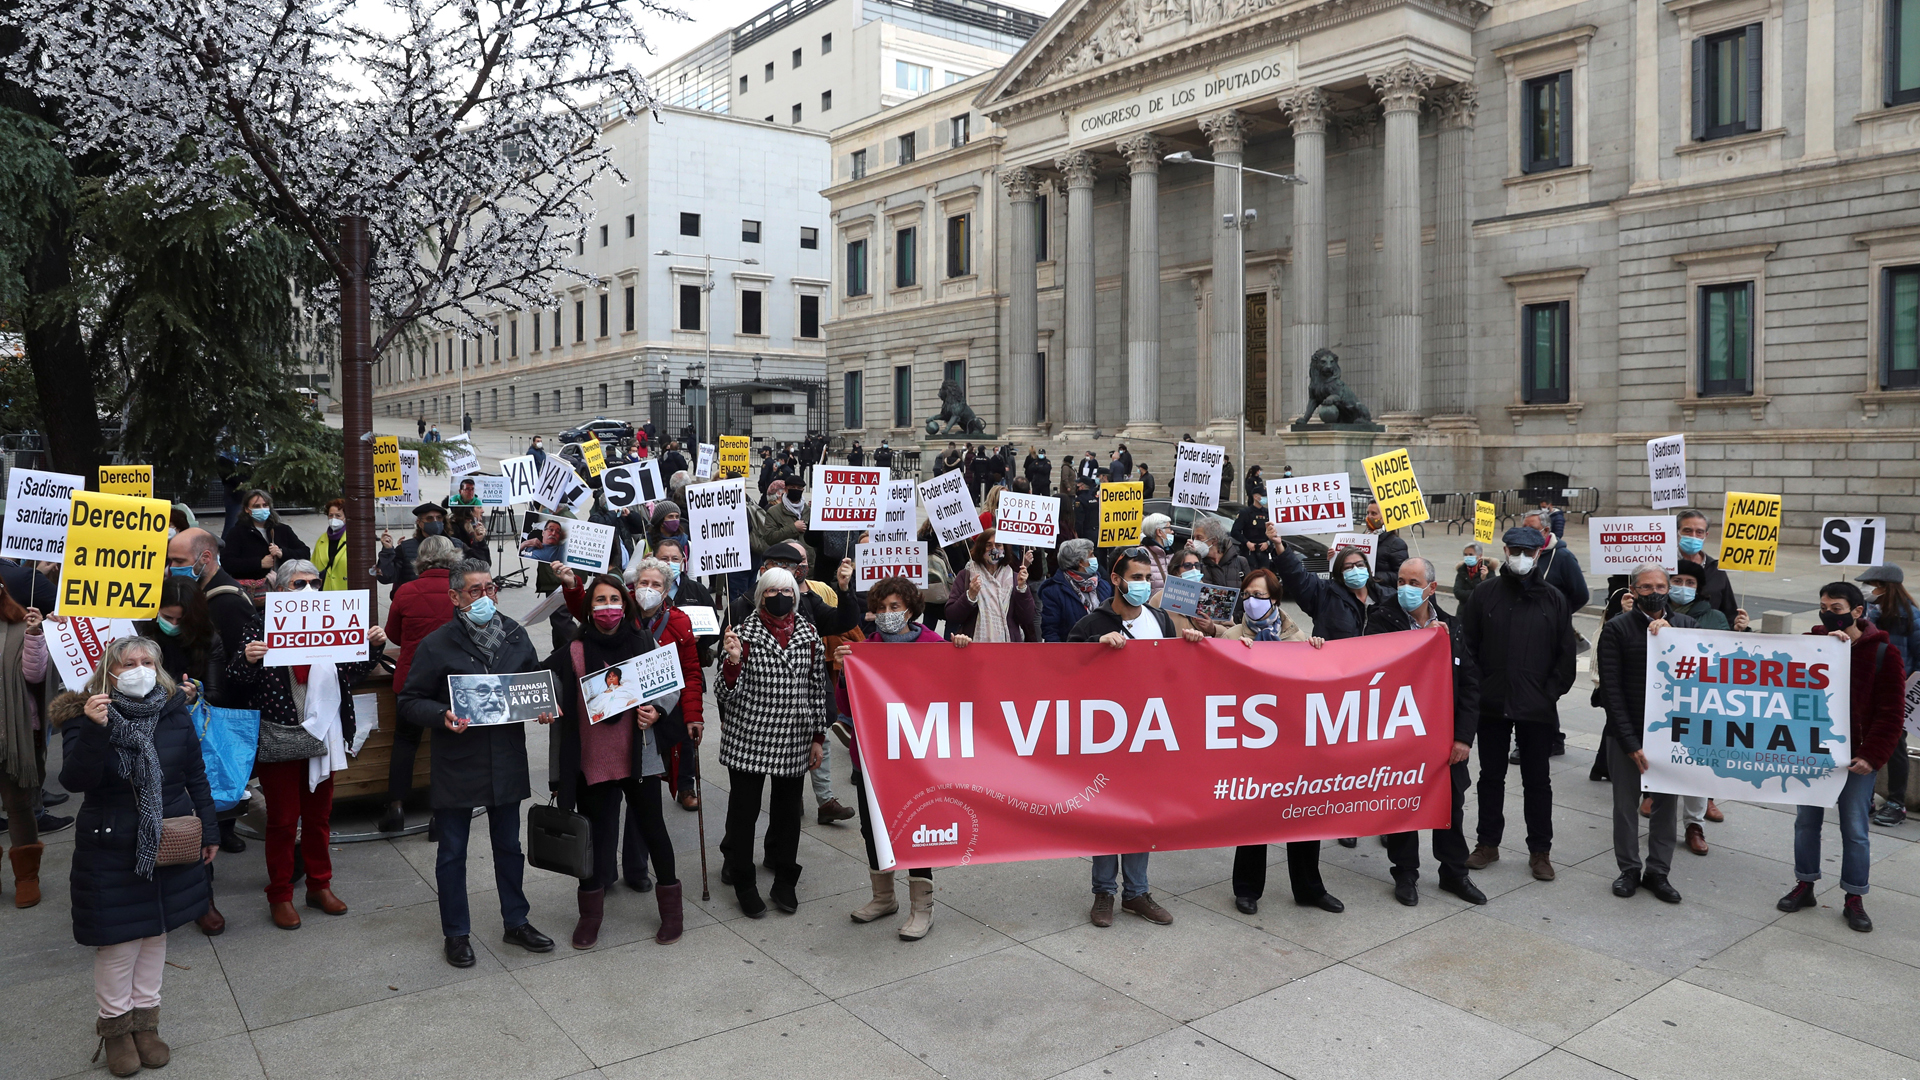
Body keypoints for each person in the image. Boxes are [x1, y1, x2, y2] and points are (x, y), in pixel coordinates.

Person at [57, 636, 217, 1076]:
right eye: (129, 662)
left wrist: (210, 828)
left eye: (148, 661)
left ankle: (146, 1025)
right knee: (118, 942)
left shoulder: (172, 710)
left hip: (168, 838)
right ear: (109, 670)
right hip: (111, 844)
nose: (140, 668)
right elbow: (75, 779)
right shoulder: (84, 712)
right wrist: (92, 728)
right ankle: (116, 1032)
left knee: (155, 933)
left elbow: (195, 774)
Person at [396, 560, 557, 968]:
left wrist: (542, 707)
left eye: (490, 589)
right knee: (452, 852)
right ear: (454, 597)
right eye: (475, 591)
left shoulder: (516, 636)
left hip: (505, 760)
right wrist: (441, 716)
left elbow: (533, 682)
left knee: (509, 846)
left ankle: (516, 921)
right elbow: (410, 701)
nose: (486, 597)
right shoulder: (437, 645)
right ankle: (456, 933)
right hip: (458, 762)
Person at [225, 560, 385, 929]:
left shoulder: (334, 623)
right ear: (281, 592)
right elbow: (235, 678)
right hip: (280, 735)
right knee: (282, 821)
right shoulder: (259, 625)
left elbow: (351, 672)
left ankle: (319, 885)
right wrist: (248, 660)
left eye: (315, 583)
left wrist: (372, 648)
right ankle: (280, 894)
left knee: (318, 817)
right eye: (299, 584)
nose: (309, 590)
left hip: (324, 735)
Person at [1068, 546, 1204, 926]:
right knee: (1107, 816)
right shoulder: (1092, 623)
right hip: (1106, 738)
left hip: (1149, 735)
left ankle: (1137, 892)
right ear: (1116, 580)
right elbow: (1062, 669)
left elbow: (1174, 675)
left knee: (1143, 816)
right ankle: (1104, 893)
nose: (1143, 585)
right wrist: (1093, 650)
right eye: (1136, 578)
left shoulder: (1160, 620)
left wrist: (1190, 648)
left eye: (1148, 578)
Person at [548, 572, 685, 948]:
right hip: (593, 762)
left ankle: (672, 912)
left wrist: (655, 710)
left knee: (654, 830)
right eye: (599, 601)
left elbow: (671, 687)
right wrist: (548, 709)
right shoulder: (573, 652)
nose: (607, 608)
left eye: (614, 601)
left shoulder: (643, 643)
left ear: (624, 608)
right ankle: (590, 916)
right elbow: (552, 696)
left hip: (637, 759)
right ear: (588, 609)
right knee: (594, 838)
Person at [831, 577, 969, 939]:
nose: (889, 614)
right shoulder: (863, 650)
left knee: (919, 829)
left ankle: (922, 908)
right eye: (882, 608)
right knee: (872, 828)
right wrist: (843, 674)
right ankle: (884, 898)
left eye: (896, 607)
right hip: (873, 760)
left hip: (918, 760)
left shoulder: (934, 645)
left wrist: (961, 651)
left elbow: (960, 693)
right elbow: (845, 708)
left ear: (910, 609)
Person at [1778, 581, 1908, 933]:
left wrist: (1872, 756)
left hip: (1856, 759)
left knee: (1855, 830)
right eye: (1822, 606)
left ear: (1857, 612)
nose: (1826, 613)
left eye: (1835, 608)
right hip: (1811, 754)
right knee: (1806, 823)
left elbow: (1891, 715)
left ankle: (1854, 896)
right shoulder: (1811, 643)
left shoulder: (1884, 654)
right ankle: (1805, 884)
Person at [1366, 558, 1486, 906]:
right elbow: (1374, 673)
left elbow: (1470, 687)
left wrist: (1463, 737)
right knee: (1404, 806)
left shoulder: (1452, 626)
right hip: (1401, 735)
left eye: (1414, 582)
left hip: (1444, 739)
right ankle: (1405, 873)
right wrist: (1423, 646)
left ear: (1432, 588)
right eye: (1401, 580)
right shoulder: (1381, 620)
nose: (1405, 588)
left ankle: (1453, 873)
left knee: (1450, 806)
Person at [1460, 526, 1577, 882]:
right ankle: (1487, 843)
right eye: (1514, 551)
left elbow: (1565, 657)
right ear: (1506, 551)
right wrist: (1479, 690)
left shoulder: (1554, 598)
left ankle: (1540, 851)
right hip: (1493, 705)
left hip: (1537, 708)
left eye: (1528, 552)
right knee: (1490, 777)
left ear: (1538, 555)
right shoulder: (1485, 594)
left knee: (1537, 781)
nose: (1521, 557)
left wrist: (1548, 694)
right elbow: (1469, 648)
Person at [1219, 567, 1336, 914]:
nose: (1252, 601)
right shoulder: (1231, 639)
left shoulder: (1298, 639)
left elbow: (1315, 686)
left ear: (1275, 599)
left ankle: (1309, 888)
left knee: (1303, 816)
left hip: (1293, 743)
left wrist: (1317, 650)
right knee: (1253, 818)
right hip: (1252, 746)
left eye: (1260, 595)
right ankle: (1247, 890)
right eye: (1247, 595)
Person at [716, 568, 830, 918]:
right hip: (750, 736)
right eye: (771, 591)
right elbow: (723, 693)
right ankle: (743, 881)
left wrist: (818, 737)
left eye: (786, 590)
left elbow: (817, 688)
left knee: (787, 815)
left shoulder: (809, 633)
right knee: (743, 814)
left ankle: (784, 880)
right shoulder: (742, 633)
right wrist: (733, 661)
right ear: (761, 594)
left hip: (794, 738)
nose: (779, 597)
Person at [1596, 563, 1693, 904]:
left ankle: (1658, 872)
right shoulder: (1617, 629)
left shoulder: (1686, 626)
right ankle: (1628, 869)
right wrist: (1629, 742)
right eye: (1646, 587)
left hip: (1671, 737)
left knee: (1666, 808)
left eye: (1660, 586)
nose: (1655, 593)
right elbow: (1612, 691)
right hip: (1627, 736)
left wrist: (1674, 638)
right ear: (1633, 591)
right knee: (1625, 806)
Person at [373, 535, 464, 835]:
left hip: (411, 678)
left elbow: (393, 635)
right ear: (452, 557)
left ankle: (396, 808)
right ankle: (441, 815)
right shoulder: (461, 592)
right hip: (451, 681)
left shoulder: (406, 590)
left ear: (420, 559)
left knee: (405, 742)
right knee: (447, 746)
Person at [1858, 564, 1918, 825]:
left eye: (1870, 584)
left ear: (1885, 586)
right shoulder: (1867, 612)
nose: (1866, 589)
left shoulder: (1911, 617)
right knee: (1865, 740)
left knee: (1895, 746)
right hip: (1866, 689)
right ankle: (1865, 795)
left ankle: (1896, 801)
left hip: (1896, 691)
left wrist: (1906, 688)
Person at [0, 583, 48, 907]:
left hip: (13, 735)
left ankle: (26, 878)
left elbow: (35, 675)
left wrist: (34, 636)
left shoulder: (20, 625)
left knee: (18, 805)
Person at [1273, 540, 1386, 642]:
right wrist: (1279, 546)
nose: (1355, 570)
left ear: (1368, 568)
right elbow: (1298, 577)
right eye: (1348, 567)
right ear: (1340, 572)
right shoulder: (1325, 594)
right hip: (1339, 662)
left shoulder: (1386, 597)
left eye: (1360, 565)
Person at [946, 531, 1039, 643]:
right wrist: (969, 597)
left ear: (1004, 549)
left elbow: (1027, 618)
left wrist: (1022, 590)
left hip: (1008, 648)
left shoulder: (1015, 578)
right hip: (974, 646)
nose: (994, 549)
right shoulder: (967, 576)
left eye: (998, 545)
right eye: (988, 545)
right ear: (981, 548)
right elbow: (952, 615)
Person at [377, 503, 473, 593]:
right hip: (416, 600)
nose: (435, 522)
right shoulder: (405, 548)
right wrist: (387, 550)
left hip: (449, 601)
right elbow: (386, 577)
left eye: (439, 518)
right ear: (419, 522)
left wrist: (479, 543)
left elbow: (479, 568)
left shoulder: (457, 544)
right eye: (429, 518)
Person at [220, 489, 310, 583]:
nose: (262, 509)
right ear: (247, 509)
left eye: (265, 505)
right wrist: (259, 563)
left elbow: (305, 553)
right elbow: (227, 563)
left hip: (283, 587)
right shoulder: (237, 533)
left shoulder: (282, 529)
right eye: (256, 506)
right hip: (253, 589)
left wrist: (282, 553)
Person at [1675, 509, 1742, 627]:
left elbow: (1729, 612)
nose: (1693, 536)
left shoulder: (1716, 570)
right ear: (1677, 532)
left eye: (1699, 532)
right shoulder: (1664, 565)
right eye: (1687, 531)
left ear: (1706, 535)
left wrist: (1740, 627)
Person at [1039, 538, 1110, 642]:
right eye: (1091, 555)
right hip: (1071, 653)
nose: (1095, 558)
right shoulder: (1053, 591)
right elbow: (1050, 631)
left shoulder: (1103, 585)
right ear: (1081, 562)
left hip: (1103, 651)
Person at [1153, 548, 1223, 637]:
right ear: (1175, 570)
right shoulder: (1160, 598)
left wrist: (1213, 629)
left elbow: (1230, 631)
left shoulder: (1213, 595)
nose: (1194, 569)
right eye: (1188, 566)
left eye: (1197, 565)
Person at [1193, 517, 1250, 588]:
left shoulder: (1240, 562)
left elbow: (1249, 590)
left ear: (1214, 540)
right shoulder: (1195, 563)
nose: (1195, 541)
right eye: (1194, 538)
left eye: (1199, 537)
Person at [1362, 500, 1408, 587]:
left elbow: (1401, 575)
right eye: (1368, 513)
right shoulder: (1362, 537)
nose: (1369, 517)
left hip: (1383, 593)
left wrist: (1375, 576)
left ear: (1385, 517)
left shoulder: (1396, 544)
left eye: (1374, 513)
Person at [312, 499, 352, 590]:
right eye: (331, 515)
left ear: (346, 517)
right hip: (324, 592)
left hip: (345, 593)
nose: (334, 519)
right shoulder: (322, 539)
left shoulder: (353, 539)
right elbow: (312, 566)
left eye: (338, 516)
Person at [1230, 490, 1273, 571]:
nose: (1265, 499)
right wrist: (1247, 542)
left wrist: (1268, 543)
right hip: (1249, 551)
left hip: (1264, 551)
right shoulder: (1245, 513)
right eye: (1263, 496)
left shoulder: (1268, 513)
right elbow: (1235, 531)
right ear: (1255, 497)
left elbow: (1275, 532)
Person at [1140, 514, 1174, 594]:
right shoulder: (1142, 554)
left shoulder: (1169, 553)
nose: (1172, 532)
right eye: (1169, 528)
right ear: (1159, 532)